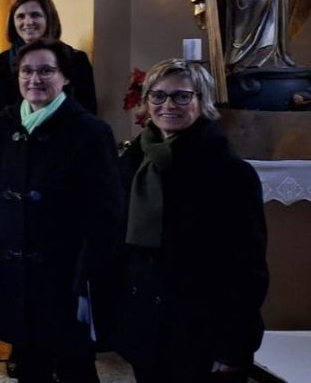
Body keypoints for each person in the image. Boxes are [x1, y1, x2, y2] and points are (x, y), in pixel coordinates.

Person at [0, 38, 120, 383]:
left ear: (65, 77)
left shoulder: (90, 132)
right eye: (27, 71)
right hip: (13, 275)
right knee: (29, 366)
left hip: (65, 279)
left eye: (46, 70)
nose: (35, 79)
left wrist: (87, 282)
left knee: (75, 367)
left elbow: (105, 216)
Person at [115, 59, 268, 382]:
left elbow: (247, 268)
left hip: (202, 333)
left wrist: (233, 345)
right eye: (157, 96)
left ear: (203, 101)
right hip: (149, 328)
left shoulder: (229, 173)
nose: (167, 105)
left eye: (181, 96)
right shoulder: (134, 161)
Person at [0, 0, 97, 117]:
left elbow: (88, 112)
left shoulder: (75, 59)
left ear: (49, 18)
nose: (28, 22)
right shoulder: (1, 62)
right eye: (20, 16)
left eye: (35, 15)